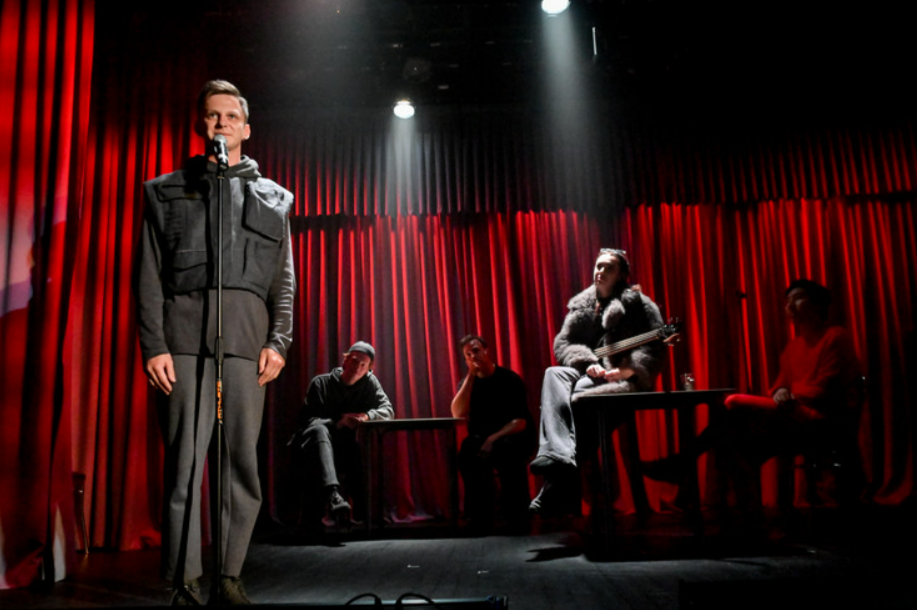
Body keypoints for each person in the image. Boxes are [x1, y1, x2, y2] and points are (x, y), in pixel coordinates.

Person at [138, 80, 295, 605]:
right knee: (184, 464)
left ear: (246, 128)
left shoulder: (274, 198)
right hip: (183, 341)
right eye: (212, 115)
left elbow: (283, 281)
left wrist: (279, 342)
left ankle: (229, 575)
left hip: (248, 343)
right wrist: (154, 345)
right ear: (200, 125)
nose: (222, 123)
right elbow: (148, 275)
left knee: (240, 465)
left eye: (230, 116)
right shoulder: (166, 191)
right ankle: (184, 580)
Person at [648, 279, 862, 507]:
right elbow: (780, 384)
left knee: (732, 404)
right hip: (792, 417)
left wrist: (789, 394)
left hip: (822, 420)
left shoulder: (835, 337)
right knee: (731, 434)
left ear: (818, 304)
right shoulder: (793, 347)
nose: (790, 305)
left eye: (798, 298)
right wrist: (781, 391)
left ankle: (682, 464)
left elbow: (823, 389)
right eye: (787, 301)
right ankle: (694, 473)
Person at [528, 248, 665, 516]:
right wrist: (585, 361)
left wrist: (627, 370)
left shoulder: (639, 305)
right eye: (598, 266)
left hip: (619, 381)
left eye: (608, 268)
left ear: (622, 275)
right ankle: (557, 454)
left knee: (577, 398)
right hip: (586, 373)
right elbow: (563, 343)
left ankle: (555, 482)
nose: (600, 272)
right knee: (553, 374)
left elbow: (655, 349)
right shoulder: (581, 305)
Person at [289, 342, 394, 532]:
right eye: (354, 361)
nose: (358, 367)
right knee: (319, 430)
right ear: (345, 361)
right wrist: (339, 422)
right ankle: (333, 496)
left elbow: (388, 411)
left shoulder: (369, 383)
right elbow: (308, 420)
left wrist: (367, 416)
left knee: (355, 450)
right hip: (309, 445)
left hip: (342, 448)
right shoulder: (321, 383)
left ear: (368, 369)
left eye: (363, 365)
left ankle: (362, 513)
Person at [450, 335, 535, 534]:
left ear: (486, 351)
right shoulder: (468, 384)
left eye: (476, 351)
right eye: (468, 355)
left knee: (508, 452)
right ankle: (479, 518)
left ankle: (517, 517)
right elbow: (457, 412)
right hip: (481, 439)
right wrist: (471, 376)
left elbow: (520, 422)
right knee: (467, 453)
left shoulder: (509, 379)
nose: (473, 356)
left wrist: (492, 439)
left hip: (512, 436)